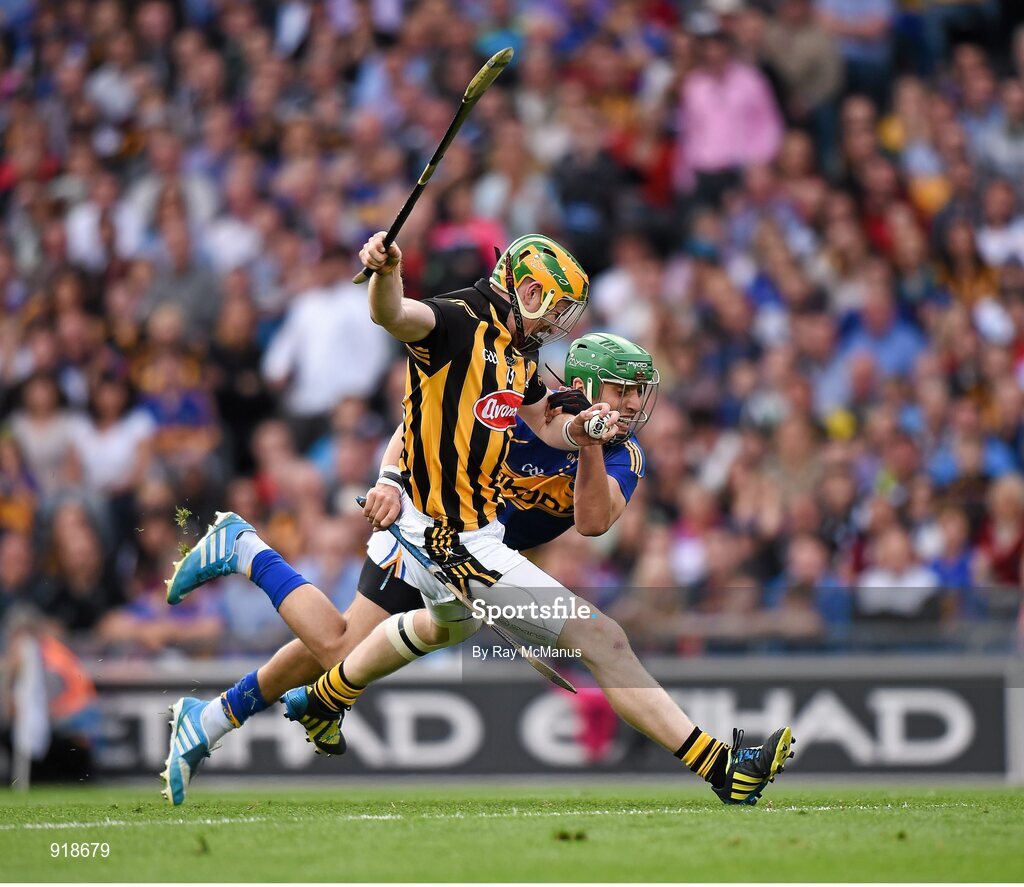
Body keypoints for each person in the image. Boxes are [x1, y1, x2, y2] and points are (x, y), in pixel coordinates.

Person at [160, 232, 794, 808]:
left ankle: (228, 712)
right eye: (621, 393)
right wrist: (388, 276)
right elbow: (397, 327)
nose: (561, 324)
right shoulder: (463, 319)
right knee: (601, 640)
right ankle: (720, 767)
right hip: (449, 533)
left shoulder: (531, 375)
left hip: (473, 539)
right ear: (528, 289)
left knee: (360, 640)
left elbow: (588, 505)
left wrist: (588, 435)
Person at [162, 330, 656, 799]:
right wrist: (391, 480)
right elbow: (422, 420)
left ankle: (211, 719)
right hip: (429, 527)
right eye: (624, 389)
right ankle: (244, 550)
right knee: (340, 650)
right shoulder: (522, 398)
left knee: (337, 644)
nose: (633, 403)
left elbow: (594, 521)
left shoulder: (608, 447)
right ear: (586, 384)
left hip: (473, 556)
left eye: (639, 391)